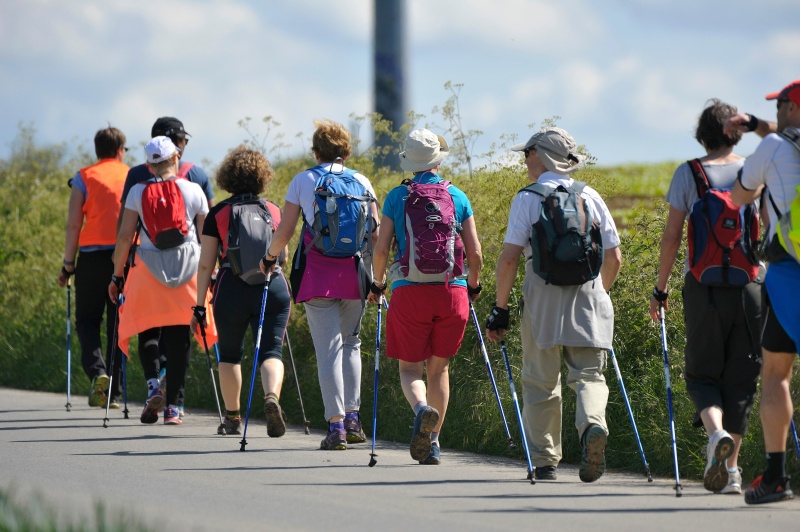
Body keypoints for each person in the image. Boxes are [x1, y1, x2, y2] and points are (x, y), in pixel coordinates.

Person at [485, 127, 622, 483]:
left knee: (541, 380)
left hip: (542, 292)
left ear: (539, 156)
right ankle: (592, 425)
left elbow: (510, 258)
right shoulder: (592, 196)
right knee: (589, 374)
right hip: (588, 291)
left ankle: (546, 460)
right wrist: (599, 293)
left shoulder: (528, 197)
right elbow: (615, 257)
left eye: (527, 153)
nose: (524, 159)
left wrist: (500, 308)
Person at [649, 99, 762, 495]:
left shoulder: (690, 173)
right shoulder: (755, 170)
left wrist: (660, 289)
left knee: (701, 373)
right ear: (737, 132)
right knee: (742, 379)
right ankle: (732, 471)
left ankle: (715, 435)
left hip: (703, 287)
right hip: (750, 288)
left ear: (703, 133)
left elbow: (672, 237)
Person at [260, 119, 380, 451]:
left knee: (328, 349)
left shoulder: (303, 180)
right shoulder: (361, 180)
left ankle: (337, 426)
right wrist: (376, 278)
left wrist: (270, 258)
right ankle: (354, 420)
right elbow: (377, 234)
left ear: (315, 152)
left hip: (318, 275)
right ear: (346, 151)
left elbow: (284, 232)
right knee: (351, 345)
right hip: (356, 273)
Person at [368, 129, 483, 465]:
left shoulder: (396, 196)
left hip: (409, 292)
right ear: (437, 160)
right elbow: (475, 253)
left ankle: (422, 409)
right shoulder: (457, 196)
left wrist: (378, 285)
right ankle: (433, 442)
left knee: (409, 370)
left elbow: (380, 250)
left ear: (409, 160)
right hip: (452, 293)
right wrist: (473, 286)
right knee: (439, 370)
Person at [730, 80, 800, 505]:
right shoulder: (775, 137)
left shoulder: (774, 148)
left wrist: (761, 186)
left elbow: (740, 194)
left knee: (776, 374)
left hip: (789, 273)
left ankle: (775, 476)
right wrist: (758, 125)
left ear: (792, 108)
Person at [191, 145, 291, 436]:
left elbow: (205, 265)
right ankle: (271, 397)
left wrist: (200, 305)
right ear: (263, 176)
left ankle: (233, 418)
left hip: (231, 289)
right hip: (272, 288)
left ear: (227, 177)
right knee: (271, 351)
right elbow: (281, 256)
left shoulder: (218, 213)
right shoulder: (273, 209)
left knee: (230, 355)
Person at [118, 117, 215, 418]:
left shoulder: (137, 191)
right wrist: (211, 272)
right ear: (176, 157)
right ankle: (175, 406)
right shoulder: (194, 190)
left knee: (147, 329)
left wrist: (116, 274)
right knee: (178, 338)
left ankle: (152, 388)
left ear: (149, 164)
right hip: (187, 267)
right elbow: (207, 237)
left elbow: (124, 236)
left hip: (147, 268)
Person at [57, 127, 129, 407]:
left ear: (97, 150)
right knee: (117, 324)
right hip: (122, 258)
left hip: (89, 258)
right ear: (120, 150)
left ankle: (98, 372)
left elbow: (74, 224)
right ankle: (115, 392)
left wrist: (68, 265)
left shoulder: (84, 176)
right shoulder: (131, 175)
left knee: (87, 320)